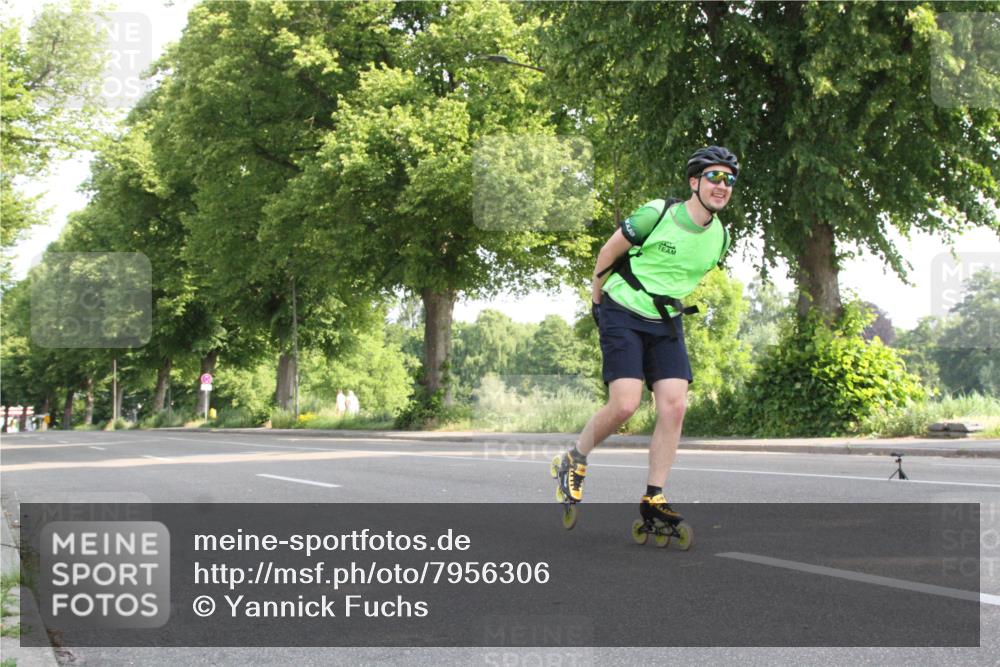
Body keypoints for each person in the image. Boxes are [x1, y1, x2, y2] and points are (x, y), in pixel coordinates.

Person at [552, 145, 740, 530]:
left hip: (666, 319)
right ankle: (574, 458)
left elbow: (679, 276)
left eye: (729, 179)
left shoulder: (719, 237)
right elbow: (609, 251)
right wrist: (597, 300)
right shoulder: (657, 213)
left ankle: (654, 497)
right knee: (625, 403)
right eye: (714, 177)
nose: (722, 185)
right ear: (694, 182)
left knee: (675, 406)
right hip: (622, 308)